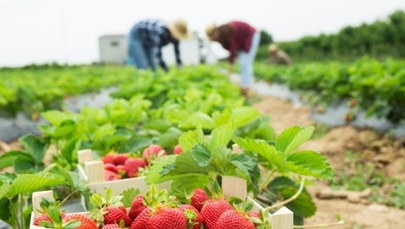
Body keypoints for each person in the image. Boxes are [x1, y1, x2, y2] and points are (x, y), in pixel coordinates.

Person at [206, 20, 260, 96]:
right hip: (243, 41)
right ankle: (244, 86)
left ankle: (246, 88)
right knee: (243, 64)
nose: (214, 38)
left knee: (245, 63)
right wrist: (230, 64)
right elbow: (231, 50)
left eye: (213, 35)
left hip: (252, 35)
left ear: (215, 31)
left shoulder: (226, 31)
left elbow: (233, 49)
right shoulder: (221, 35)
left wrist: (230, 65)